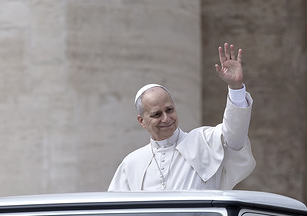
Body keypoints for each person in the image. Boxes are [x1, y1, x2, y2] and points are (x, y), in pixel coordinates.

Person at [108, 43, 255, 191]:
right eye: (157, 114)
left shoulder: (204, 142)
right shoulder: (132, 163)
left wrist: (235, 88)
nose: (166, 118)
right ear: (142, 121)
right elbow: (114, 209)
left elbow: (235, 139)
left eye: (169, 110)